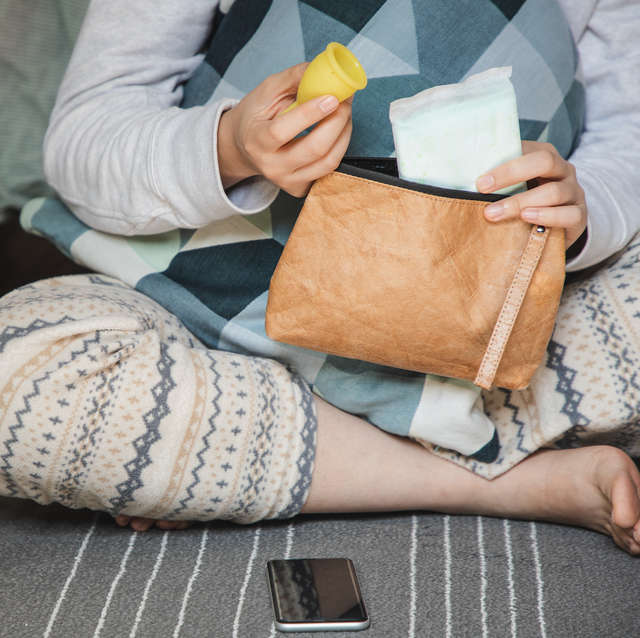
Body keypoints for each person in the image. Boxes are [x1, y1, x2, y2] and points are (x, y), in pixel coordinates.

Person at [3, 0, 640, 553]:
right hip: (190, 312)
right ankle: (489, 478)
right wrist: (232, 146)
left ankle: (236, 449)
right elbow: (82, 140)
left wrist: (579, 211)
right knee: (16, 381)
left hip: (473, 340)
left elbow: (627, 141)